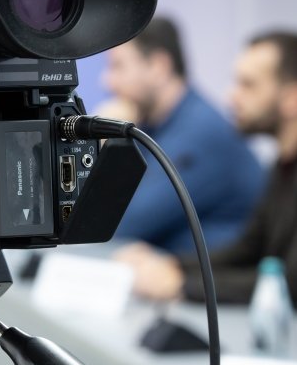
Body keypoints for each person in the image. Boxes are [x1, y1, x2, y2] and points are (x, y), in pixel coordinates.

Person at [118, 31, 297, 315]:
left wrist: (183, 285)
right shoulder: (286, 161)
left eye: (248, 85)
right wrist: (176, 266)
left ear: (295, 99)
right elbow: (250, 249)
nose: (232, 96)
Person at [103, 17, 266, 253]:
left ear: (159, 67)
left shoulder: (200, 132)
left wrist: (105, 142)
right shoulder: (154, 126)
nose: (107, 82)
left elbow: (119, 226)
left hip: (219, 284)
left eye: (118, 67)